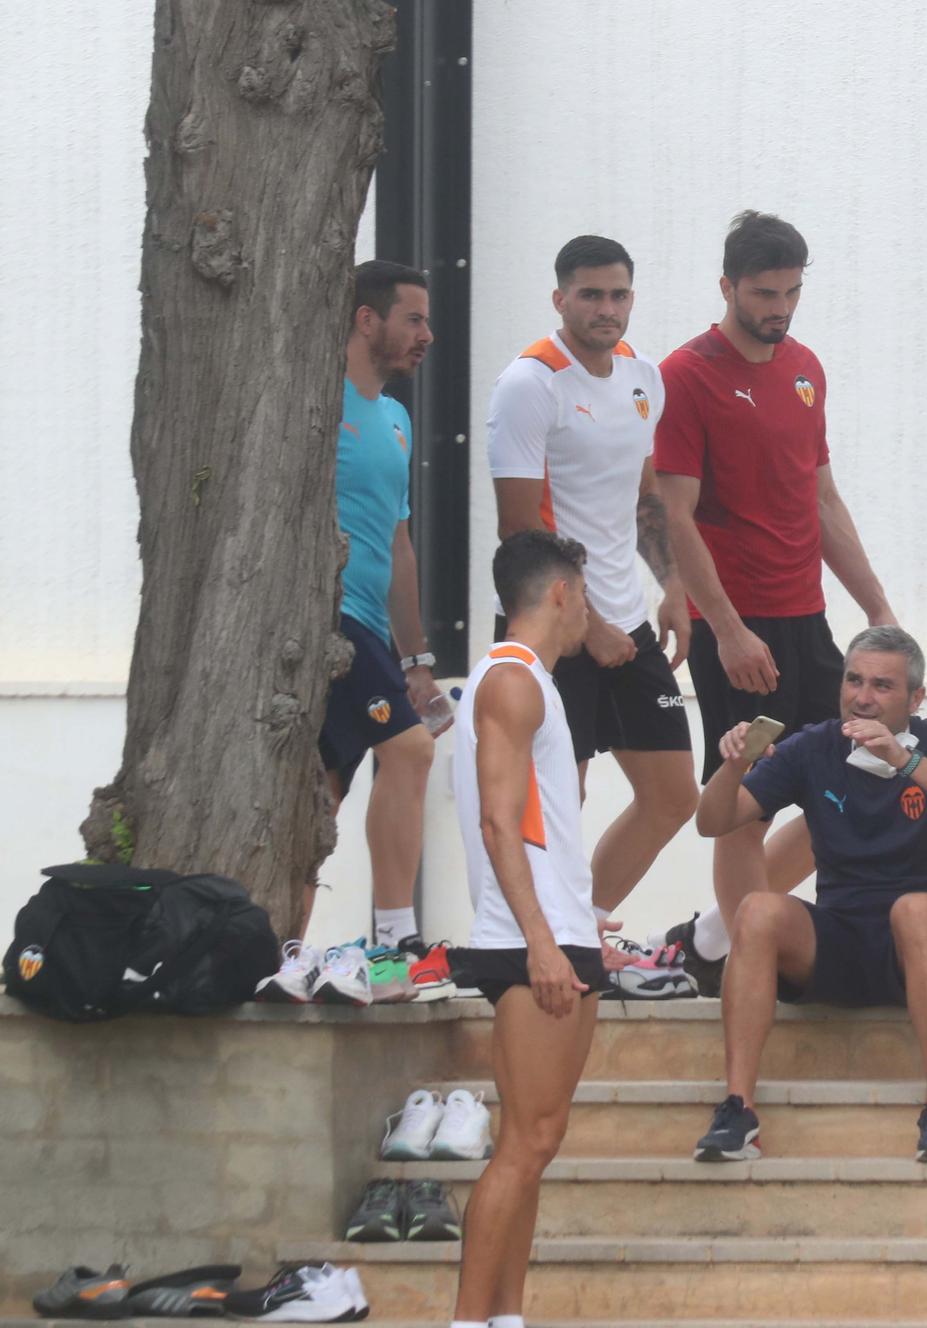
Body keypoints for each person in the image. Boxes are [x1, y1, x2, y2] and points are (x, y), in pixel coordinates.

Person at [650, 210, 896, 995]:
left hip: (807, 617)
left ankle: (718, 936)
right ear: (727, 286)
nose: (780, 307)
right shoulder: (684, 376)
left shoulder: (805, 368)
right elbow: (672, 513)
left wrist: (879, 612)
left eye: (791, 291)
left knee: (854, 777)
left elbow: (822, 499)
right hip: (737, 624)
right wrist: (721, 628)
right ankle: (746, 966)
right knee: (745, 805)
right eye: (764, 292)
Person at [690, 627, 927, 1163]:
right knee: (759, 910)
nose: (862, 697)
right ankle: (738, 1109)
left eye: (882, 685)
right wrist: (735, 763)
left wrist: (905, 761)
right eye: (854, 680)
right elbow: (713, 821)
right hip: (843, 940)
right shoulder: (815, 745)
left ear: (915, 698)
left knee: (914, 910)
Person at [486, 235, 695, 996]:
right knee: (555, 801)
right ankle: (544, 947)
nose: (605, 309)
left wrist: (670, 585)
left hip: (629, 622)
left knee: (675, 794)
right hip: (555, 627)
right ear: (560, 300)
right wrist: (587, 623)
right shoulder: (530, 384)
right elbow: (520, 529)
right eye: (590, 295)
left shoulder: (643, 378)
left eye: (618, 295)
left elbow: (645, 498)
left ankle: (586, 923)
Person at [446, 529, 603, 1328]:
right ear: (559, 594)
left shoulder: (526, 682)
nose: (590, 610)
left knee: (535, 1144)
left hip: (555, 931)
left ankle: (506, 1317)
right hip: (527, 943)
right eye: (586, 592)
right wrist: (543, 939)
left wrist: (576, 919)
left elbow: (539, 833)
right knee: (525, 1145)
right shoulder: (511, 683)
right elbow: (500, 827)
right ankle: (471, 1320)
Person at [307, 260, 440, 955]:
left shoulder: (394, 419)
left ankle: (281, 952)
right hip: (326, 620)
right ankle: (396, 941)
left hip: (372, 632)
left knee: (317, 797)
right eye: (413, 319)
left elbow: (399, 543)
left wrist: (416, 659)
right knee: (412, 751)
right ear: (367, 320)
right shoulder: (315, 401)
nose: (427, 334)